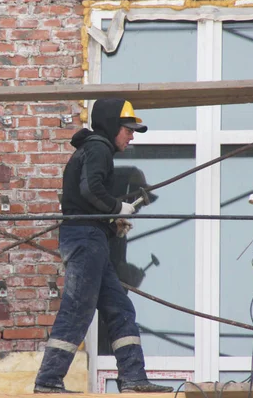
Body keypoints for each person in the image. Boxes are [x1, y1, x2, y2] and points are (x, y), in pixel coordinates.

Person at [34, 99, 174, 394]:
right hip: (85, 240)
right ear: (112, 126)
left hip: (89, 237)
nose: (132, 135)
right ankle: (48, 381)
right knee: (77, 309)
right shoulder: (98, 147)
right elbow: (91, 189)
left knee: (120, 308)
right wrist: (117, 207)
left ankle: (133, 378)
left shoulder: (94, 149)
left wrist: (112, 223)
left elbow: (83, 201)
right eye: (128, 129)